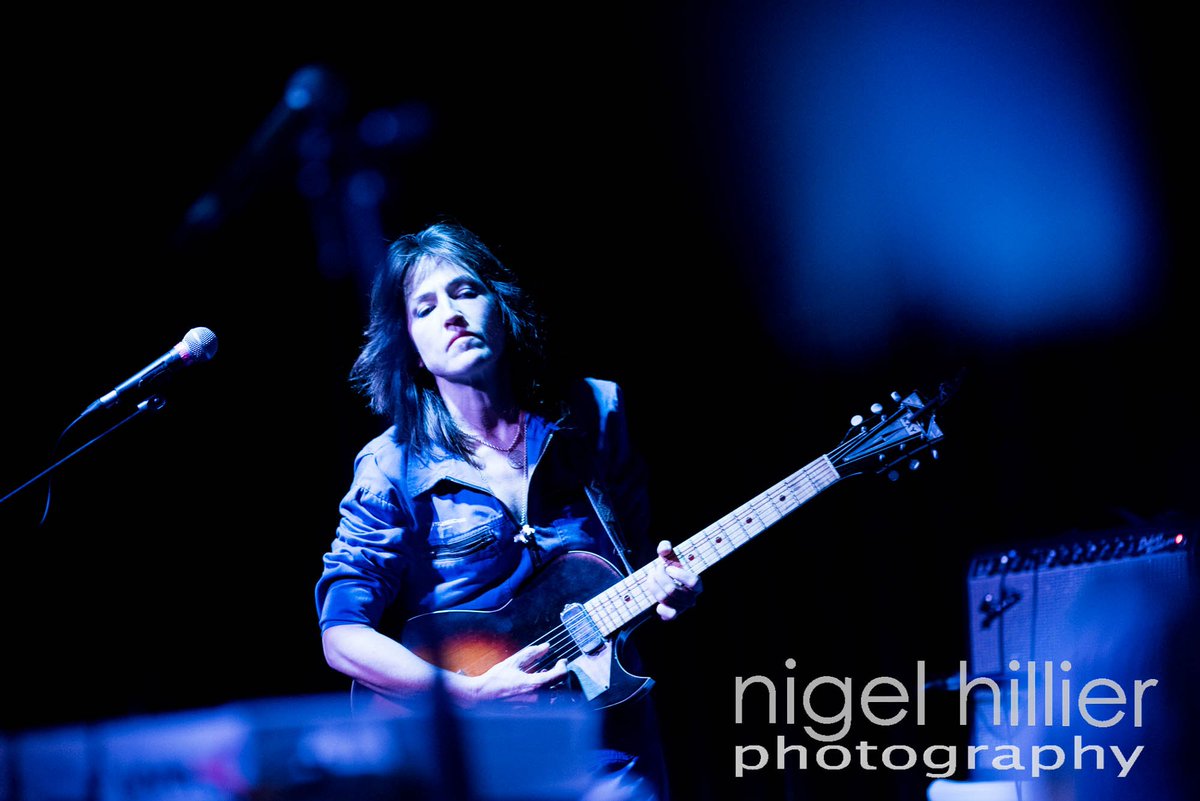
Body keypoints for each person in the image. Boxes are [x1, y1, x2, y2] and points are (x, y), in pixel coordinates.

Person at [314, 220, 701, 800]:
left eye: (465, 291)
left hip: (603, 734)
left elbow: (633, 563)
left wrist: (668, 588)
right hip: (474, 751)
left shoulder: (595, 411)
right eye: (425, 307)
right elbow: (343, 635)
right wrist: (465, 692)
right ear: (411, 348)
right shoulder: (390, 466)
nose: (451, 313)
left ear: (501, 304)